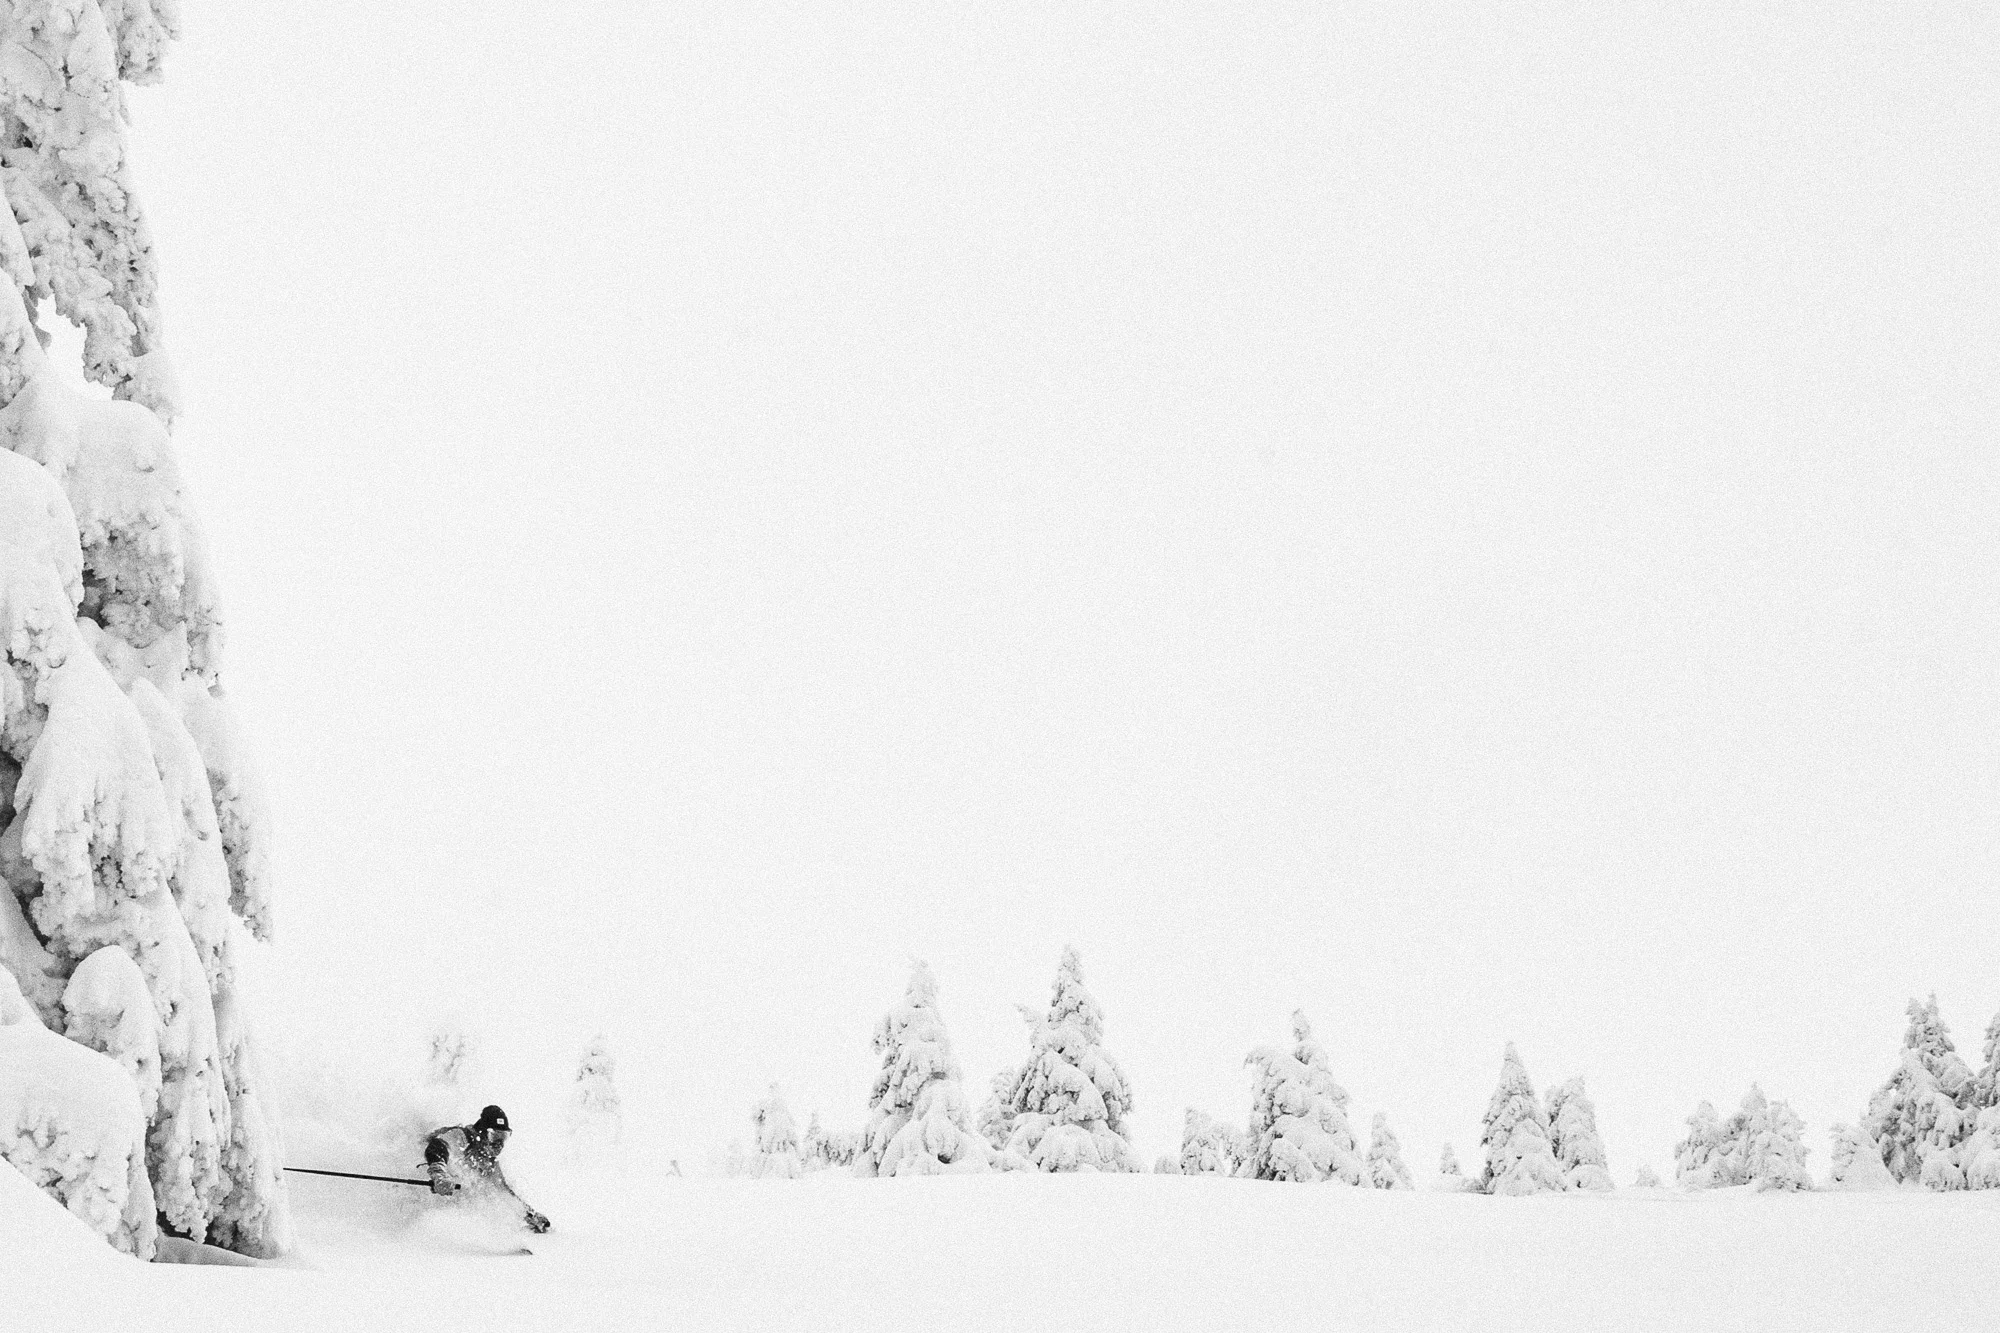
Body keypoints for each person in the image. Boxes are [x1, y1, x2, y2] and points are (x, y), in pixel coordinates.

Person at [423, 1104, 551, 1233]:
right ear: (482, 1132)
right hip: (424, 1174)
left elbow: (502, 1191)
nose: (499, 1144)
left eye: (504, 1137)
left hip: (441, 1191)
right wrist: (439, 1174)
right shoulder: (462, 1136)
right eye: (494, 1136)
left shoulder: (489, 1163)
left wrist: (530, 1215)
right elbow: (437, 1147)